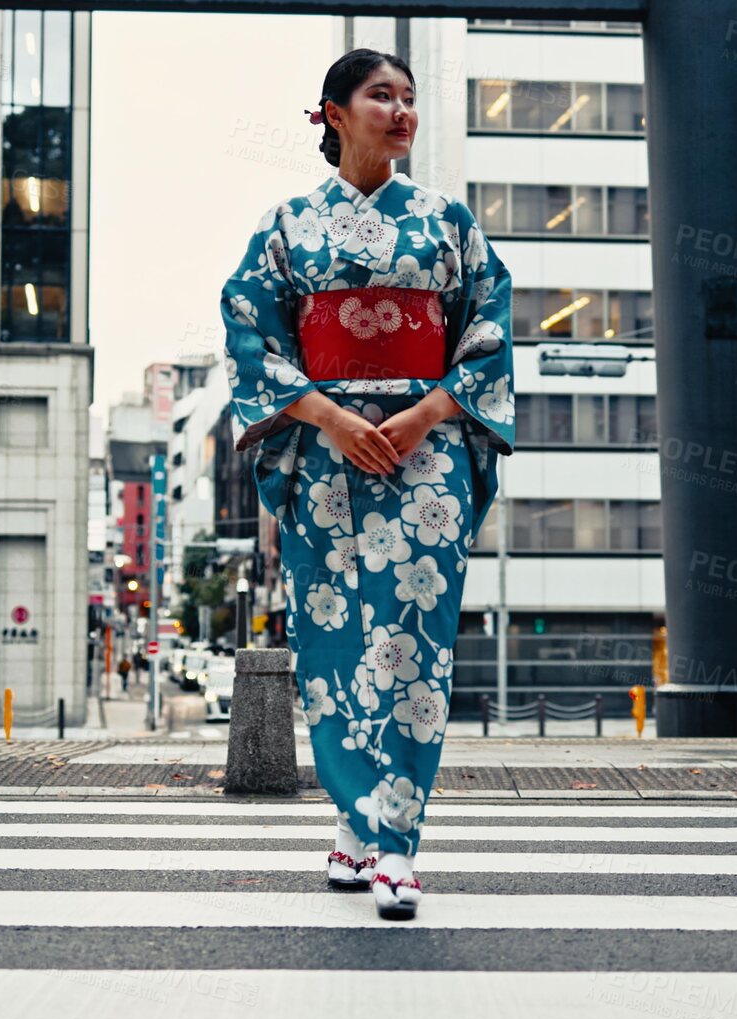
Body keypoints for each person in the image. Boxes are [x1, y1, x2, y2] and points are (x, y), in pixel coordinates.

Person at [221, 48, 514, 921]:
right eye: (380, 96)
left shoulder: (447, 221)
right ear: (333, 114)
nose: (400, 111)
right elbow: (250, 331)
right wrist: (331, 419)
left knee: (413, 646)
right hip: (326, 457)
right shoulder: (287, 225)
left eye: (409, 98)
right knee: (335, 648)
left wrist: (424, 417)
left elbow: (488, 329)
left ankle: (395, 843)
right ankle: (358, 823)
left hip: (424, 457)